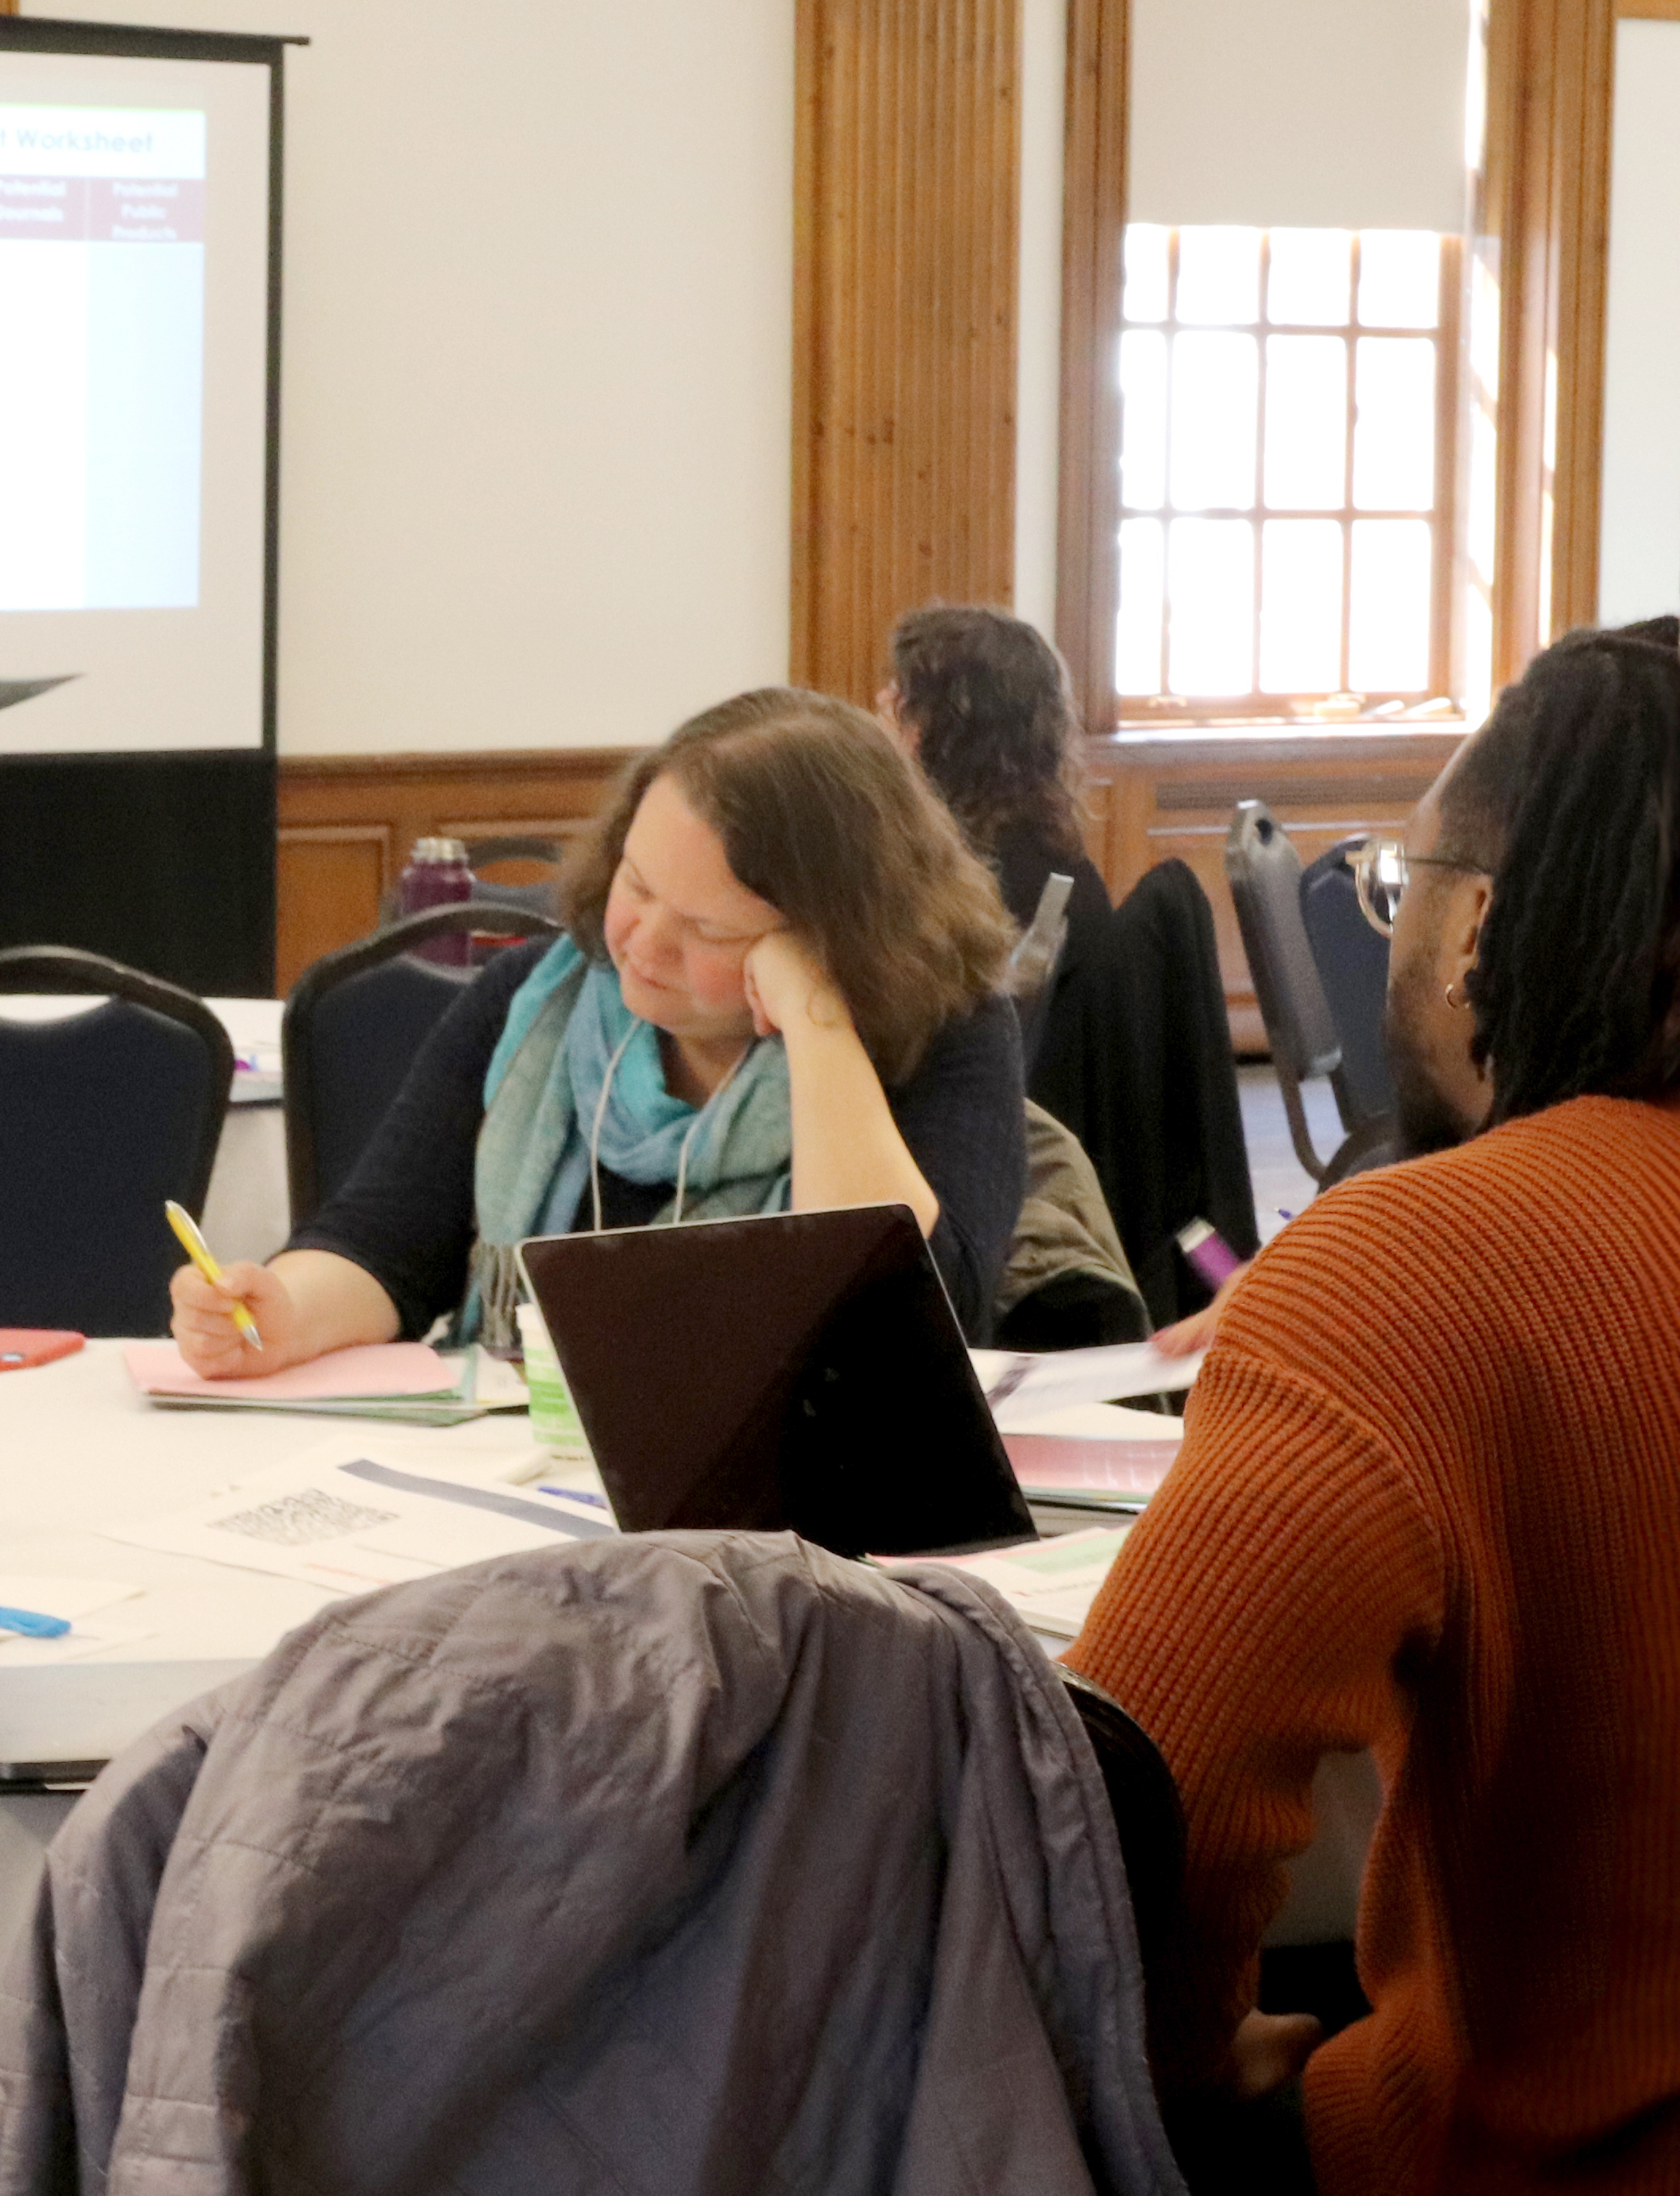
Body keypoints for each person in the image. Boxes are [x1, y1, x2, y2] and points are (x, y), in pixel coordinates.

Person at [1066, 620, 1680, 2195]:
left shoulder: (1416, 1269)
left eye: (1403, 892)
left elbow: (1135, 1813)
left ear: (1478, 922)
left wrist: (1193, 2073)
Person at [176, 688, 1028, 1373]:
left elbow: (906, 1323)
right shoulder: (537, 999)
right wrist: (283, 1312)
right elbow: (384, 1244)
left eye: (709, 930)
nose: (642, 945)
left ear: (831, 936)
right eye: (637, 882)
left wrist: (816, 1021)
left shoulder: (944, 1033)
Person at [882, 603, 1115, 945]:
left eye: (898, 689)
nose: (882, 697)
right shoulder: (1048, 853)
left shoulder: (967, 881)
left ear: (924, 727)